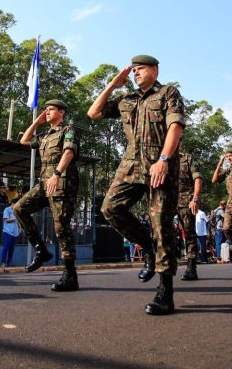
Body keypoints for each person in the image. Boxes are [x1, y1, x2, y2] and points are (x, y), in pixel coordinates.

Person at [88, 55, 185, 315]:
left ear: (155, 70)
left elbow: (175, 126)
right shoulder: (126, 99)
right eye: (134, 70)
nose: (136, 73)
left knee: (161, 224)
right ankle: (150, 250)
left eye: (141, 69)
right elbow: (94, 112)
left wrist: (164, 159)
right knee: (110, 208)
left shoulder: (167, 92)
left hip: (159, 164)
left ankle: (165, 293)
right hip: (131, 163)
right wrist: (113, 84)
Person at [13, 99, 80, 291]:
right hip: (45, 183)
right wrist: (37, 122)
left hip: (62, 182)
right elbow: (24, 140)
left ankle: (70, 276)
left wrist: (57, 175)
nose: (47, 112)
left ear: (62, 112)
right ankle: (41, 250)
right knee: (19, 208)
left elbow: (68, 153)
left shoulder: (68, 130)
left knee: (61, 227)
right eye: (46, 110)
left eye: (51, 110)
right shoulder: (44, 136)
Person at [177, 151, 203, 280]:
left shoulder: (187, 158)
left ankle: (191, 267)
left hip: (185, 201)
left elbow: (197, 178)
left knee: (189, 234)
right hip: (166, 202)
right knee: (161, 232)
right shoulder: (162, 157)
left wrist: (195, 199)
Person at [0, 200, 20, 267]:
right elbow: (6, 220)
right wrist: (15, 218)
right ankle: (3, 262)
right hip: (7, 231)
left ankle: (9, 262)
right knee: (6, 246)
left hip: (15, 232)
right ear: (12, 203)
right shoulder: (7, 210)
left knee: (12, 248)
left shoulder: (16, 211)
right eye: (16, 203)